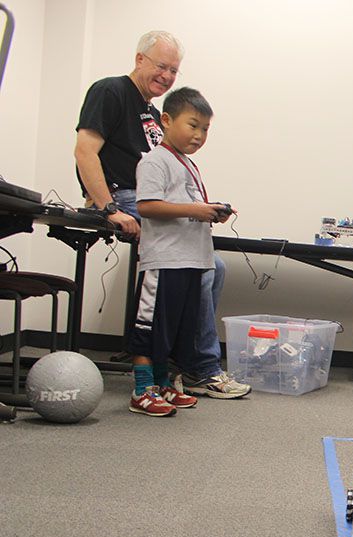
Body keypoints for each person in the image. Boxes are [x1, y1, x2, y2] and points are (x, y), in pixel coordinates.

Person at [74, 31, 248, 400]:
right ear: (139, 59)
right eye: (161, 66)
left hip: (152, 195)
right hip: (124, 194)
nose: (167, 75)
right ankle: (201, 368)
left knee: (212, 267)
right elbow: (86, 152)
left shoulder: (155, 115)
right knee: (202, 269)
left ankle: (180, 364)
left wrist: (205, 208)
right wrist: (109, 209)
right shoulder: (110, 91)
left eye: (174, 70)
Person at [127, 87, 236, 416]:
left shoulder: (186, 164)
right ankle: (142, 390)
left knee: (173, 331)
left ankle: (162, 385)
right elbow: (146, 206)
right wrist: (196, 210)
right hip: (164, 262)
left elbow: (183, 206)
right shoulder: (154, 161)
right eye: (193, 125)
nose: (199, 135)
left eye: (205, 129)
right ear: (166, 120)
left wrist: (210, 211)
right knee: (150, 329)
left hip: (190, 261)